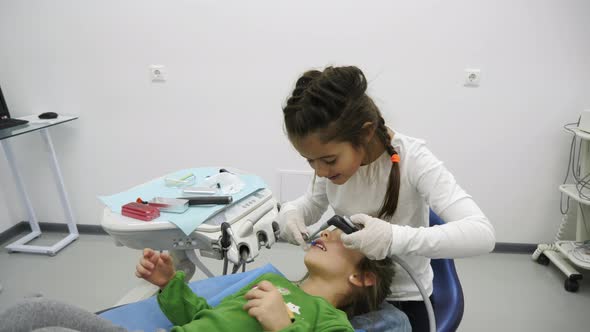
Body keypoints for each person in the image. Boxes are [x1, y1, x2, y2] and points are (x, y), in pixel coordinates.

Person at [279, 65, 496, 331]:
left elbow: (482, 235)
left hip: (405, 302)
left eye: (329, 160)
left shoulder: (413, 160)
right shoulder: (330, 167)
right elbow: (311, 204)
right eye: (309, 160)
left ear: (366, 133)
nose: (320, 171)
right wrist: (292, 213)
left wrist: (394, 238)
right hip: (347, 294)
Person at [0, 229, 404, 332]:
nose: (326, 233)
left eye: (342, 239)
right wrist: (169, 283)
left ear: (362, 276)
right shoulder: (273, 285)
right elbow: (197, 313)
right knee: (37, 310)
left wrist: (284, 325)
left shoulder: (331, 320)